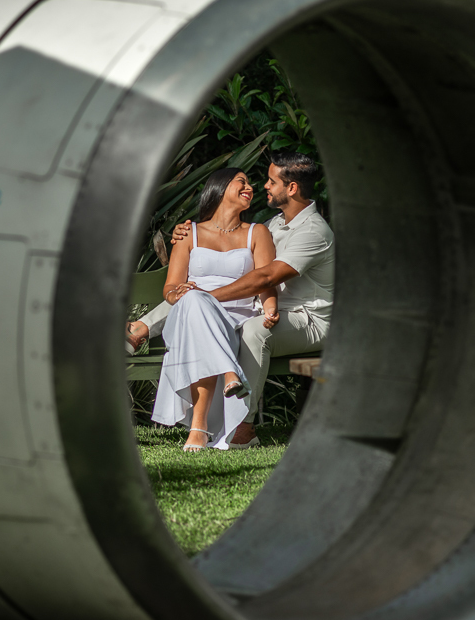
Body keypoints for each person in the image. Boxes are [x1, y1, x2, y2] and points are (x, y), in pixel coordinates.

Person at [129, 152, 334, 448]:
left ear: (291, 188)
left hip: (308, 319)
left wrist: (203, 298)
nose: (263, 186)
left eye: (271, 181)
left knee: (251, 331)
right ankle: (210, 410)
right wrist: (185, 235)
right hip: (256, 309)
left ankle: (243, 427)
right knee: (205, 311)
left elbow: (265, 278)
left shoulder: (313, 231)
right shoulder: (277, 224)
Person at [149, 168, 278, 452]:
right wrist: (177, 294)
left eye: (249, 183)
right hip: (189, 319)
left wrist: (270, 308)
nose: (250, 187)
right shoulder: (189, 233)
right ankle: (229, 372)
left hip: (233, 324)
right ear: (220, 188)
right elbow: (171, 288)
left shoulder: (257, 233)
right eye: (241, 181)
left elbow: (267, 280)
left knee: (198, 305)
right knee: (195, 301)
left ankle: (199, 429)